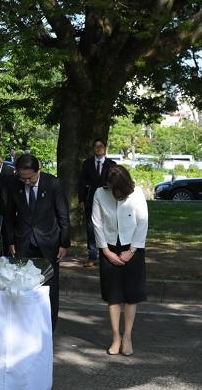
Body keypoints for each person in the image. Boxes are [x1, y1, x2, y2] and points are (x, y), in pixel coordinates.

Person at [4, 154, 70, 330]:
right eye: (22, 178)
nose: (26, 182)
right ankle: (25, 326)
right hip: (23, 241)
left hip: (49, 242)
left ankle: (49, 327)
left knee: (50, 286)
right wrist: (10, 241)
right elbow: (9, 216)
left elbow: (63, 215)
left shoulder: (53, 184)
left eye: (30, 178)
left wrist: (64, 243)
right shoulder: (13, 184)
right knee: (22, 284)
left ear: (38, 171)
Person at [91, 165, 148, 356]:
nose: (116, 195)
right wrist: (106, 252)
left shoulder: (137, 193)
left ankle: (127, 336)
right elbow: (97, 223)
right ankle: (115, 337)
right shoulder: (100, 193)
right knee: (113, 295)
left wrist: (131, 251)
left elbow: (143, 221)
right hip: (109, 247)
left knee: (131, 294)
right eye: (112, 190)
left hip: (133, 246)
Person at [78, 138, 117, 267]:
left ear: (105, 148)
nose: (98, 148)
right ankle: (92, 256)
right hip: (90, 200)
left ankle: (106, 255)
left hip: (107, 200)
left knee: (108, 227)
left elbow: (116, 182)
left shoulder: (112, 164)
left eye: (101, 146)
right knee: (91, 228)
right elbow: (82, 182)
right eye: (95, 146)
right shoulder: (87, 164)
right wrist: (81, 200)